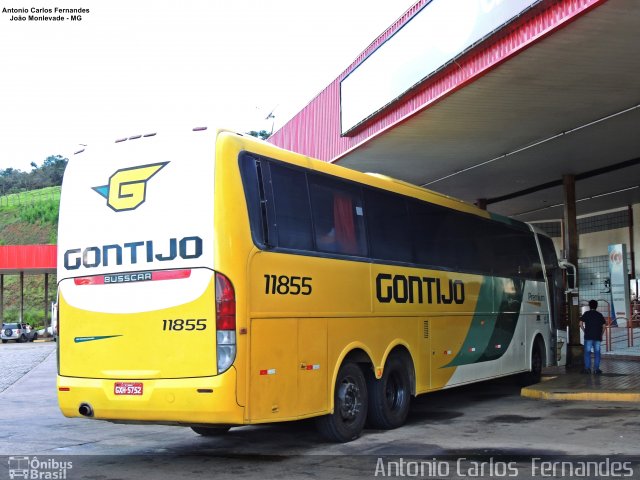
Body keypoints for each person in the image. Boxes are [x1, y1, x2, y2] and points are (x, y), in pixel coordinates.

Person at [580, 300, 606, 374]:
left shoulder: (586, 314)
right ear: (596, 306)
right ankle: (596, 369)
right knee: (597, 353)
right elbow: (604, 326)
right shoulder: (599, 315)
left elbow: (580, 323)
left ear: (589, 306)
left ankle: (587, 369)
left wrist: (584, 330)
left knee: (587, 353)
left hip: (588, 336)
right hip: (597, 336)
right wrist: (601, 334)